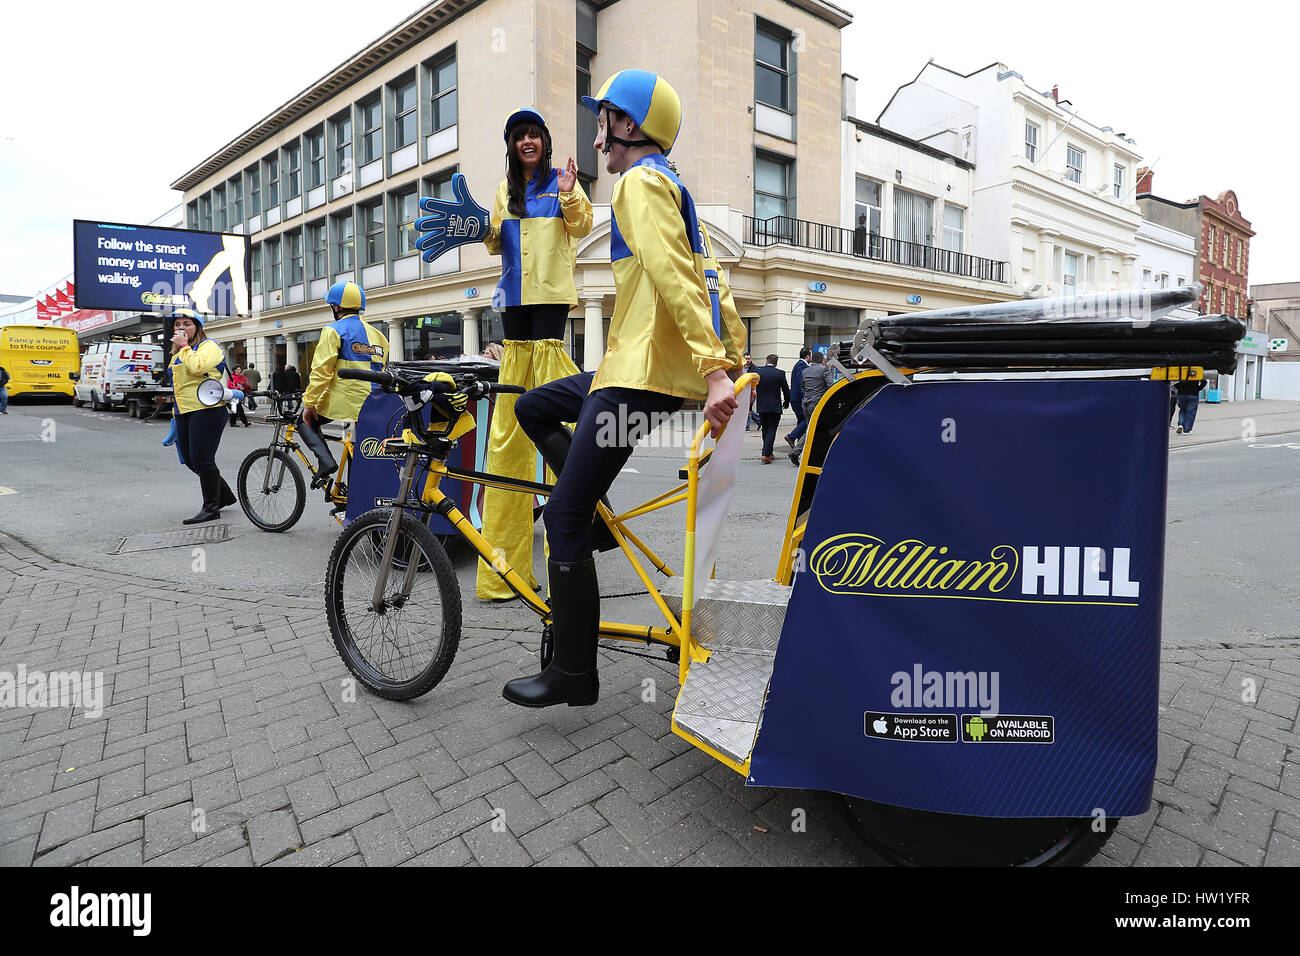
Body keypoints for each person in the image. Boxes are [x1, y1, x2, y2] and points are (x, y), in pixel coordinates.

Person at [503, 68, 745, 708]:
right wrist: (727, 357)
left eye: (604, 118)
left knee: (562, 516)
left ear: (629, 126)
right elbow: (709, 276)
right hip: (629, 371)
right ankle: (594, 509)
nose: (598, 134)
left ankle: (575, 673)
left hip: (640, 377)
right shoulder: (670, 184)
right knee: (534, 406)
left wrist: (717, 369)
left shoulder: (639, 182)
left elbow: (674, 275)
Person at [476, 107, 594, 601]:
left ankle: (586, 490)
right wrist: (477, 226)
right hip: (513, 301)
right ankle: (505, 569)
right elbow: (492, 244)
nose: (527, 141)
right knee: (508, 426)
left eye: (533, 134)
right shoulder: (506, 190)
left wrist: (568, 192)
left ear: (544, 140)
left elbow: (583, 226)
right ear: (512, 145)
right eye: (519, 136)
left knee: (549, 401)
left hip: (548, 298)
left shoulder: (564, 182)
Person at [299, 281, 389, 487]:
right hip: (374, 403)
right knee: (359, 452)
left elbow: (322, 372)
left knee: (303, 421)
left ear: (336, 307)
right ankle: (356, 504)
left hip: (346, 403)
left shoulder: (333, 330)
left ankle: (326, 462)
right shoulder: (379, 336)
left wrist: (310, 403)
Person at [166, 308, 237, 523]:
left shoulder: (209, 346)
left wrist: (185, 347)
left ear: (197, 327)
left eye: (187, 323)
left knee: (202, 459)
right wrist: (174, 414)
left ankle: (211, 507)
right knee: (189, 459)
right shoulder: (178, 353)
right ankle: (223, 495)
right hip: (184, 411)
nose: (181, 327)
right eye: (177, 324)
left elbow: (199, 367)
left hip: (207, 410)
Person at [788, 350, 831, 464]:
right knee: (818, 429)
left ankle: (797, 452)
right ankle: (803, 454)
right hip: (817, 404)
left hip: (806, 404)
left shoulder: (805, 371)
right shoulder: (824, 369)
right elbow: (831, 386)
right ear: (822, 360)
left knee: (809, 429)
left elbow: (803, 387)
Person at [752, 354, 790, 463]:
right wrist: (786, 402)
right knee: (772, 430)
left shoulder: (758, 372)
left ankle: (769, 453)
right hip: (774, 406)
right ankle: (765, 454)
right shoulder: (780, 373)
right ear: (776, 363)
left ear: (766, 361)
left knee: (765, 429)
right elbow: (786, 390)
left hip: (762, 405)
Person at [784, 347, 811, 448]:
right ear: (808, 356)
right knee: (807, 420)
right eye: (810, 355)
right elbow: (801, 384)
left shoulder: (798, 365)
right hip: (799, 399)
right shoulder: (802, 366)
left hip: (796, 398)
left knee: (801, 421)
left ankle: (800, 447)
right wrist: (805, 398)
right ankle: (791, 436)